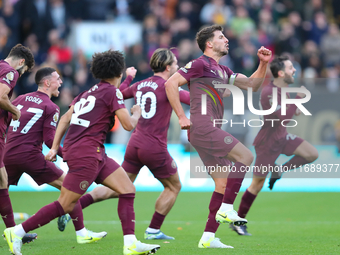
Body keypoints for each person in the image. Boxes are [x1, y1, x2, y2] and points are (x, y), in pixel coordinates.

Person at [3, 50, 160, 255]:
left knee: (127, 189)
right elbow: (128, 125)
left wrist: (54, 147)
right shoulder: (112, 93)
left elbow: (66, 119)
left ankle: (130, 243)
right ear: (118, 72)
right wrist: (137, 114)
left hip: (94, 151)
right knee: (66, 204)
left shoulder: (88, 92)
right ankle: (18, 231)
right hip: (86, 153)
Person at [63, 48, 190, 240]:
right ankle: (153, 230)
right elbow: (193, 100)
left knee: (118, 187)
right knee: (174, 186)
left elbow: (118, 93)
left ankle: (73, 206)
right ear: (167, 67)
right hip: (154, 147)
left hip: (134, 145)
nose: (178, 66)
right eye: (175, 63)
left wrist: (129, 78)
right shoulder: (169, 86)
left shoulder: (140, 84)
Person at [164, 24, 272, 248]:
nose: (226, 40)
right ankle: (226, 209)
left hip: (206, 130)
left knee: (222, 183)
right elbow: (170, 83)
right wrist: (181, 116)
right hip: (203, 127)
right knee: (245, 156)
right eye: (221, 37)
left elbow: (252, 85)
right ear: (209, 43)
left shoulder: (224, 71)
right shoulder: (199, 64)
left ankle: (208, 237)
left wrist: (262, 64)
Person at [4, 67, 107, 243]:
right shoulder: (50, 106)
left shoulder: (20, 99)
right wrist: (67, 154)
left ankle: (12, 231)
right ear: (47, 83)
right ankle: (81, 233)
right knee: (70, 188)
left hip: (8, 153)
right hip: (29, 156)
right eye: (57, 79)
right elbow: (50, 141)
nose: (60, 82)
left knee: (1, 191)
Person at [232, 56, 318, 236]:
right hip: (267, 143)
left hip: (282, 137)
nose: (294, 70)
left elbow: (289, 114)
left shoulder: (284, 89)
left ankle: (279, 171)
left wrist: (295, 105)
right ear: (281, 73)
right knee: (257, 184)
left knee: (311, 154)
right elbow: (281, 118)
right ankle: (238, 221)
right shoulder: (268, 92)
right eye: (290, 68)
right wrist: (297, 101)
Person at [0, 44, 36, 244]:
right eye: (24, 71)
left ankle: (13, 231)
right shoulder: (10, 72)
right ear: (21, 62)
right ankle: (13, 232)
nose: (20, 75)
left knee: (2, 181)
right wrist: (15, 111)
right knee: (2, 181)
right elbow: (0, 96)